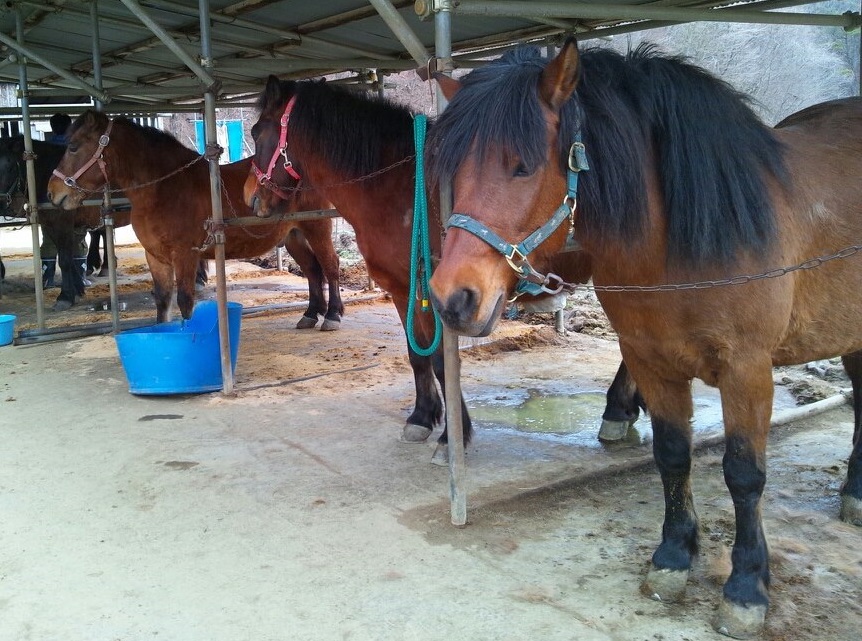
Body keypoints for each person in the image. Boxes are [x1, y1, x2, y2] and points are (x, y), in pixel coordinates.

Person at [41, 113, 89, 288]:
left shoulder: (45, 147)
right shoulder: (73, 148)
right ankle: (81, 277)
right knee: (78, 236)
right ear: (70, 127)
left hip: (51, 197)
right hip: (74, 196)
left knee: (49, 237)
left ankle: (48, 278)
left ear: (52, 127)